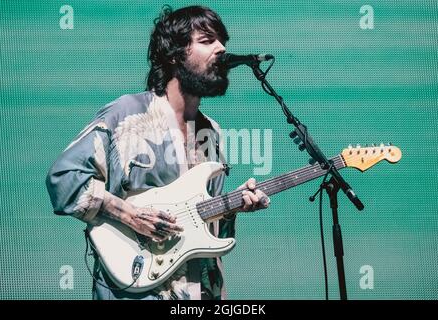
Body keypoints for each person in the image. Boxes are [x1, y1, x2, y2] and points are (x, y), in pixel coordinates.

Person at [46, 5, 270, 300]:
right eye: (207, 40)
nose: (221, 49)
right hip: (136, 288)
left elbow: (206, 231)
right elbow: (63, 178)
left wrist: (231, 208)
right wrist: (130, 214)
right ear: (176, 54)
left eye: (222, 41)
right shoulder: (128, 115)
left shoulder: (211, 133)